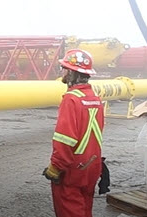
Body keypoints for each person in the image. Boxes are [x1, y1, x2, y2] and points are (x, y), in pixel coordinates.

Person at [43, 49, 104, 217]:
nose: (62, 71)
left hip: (73, 167)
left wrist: (56, 167)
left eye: (64, 68)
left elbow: (65, 138)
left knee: (70, 209)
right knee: (85, 207)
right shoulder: (94, 98)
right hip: (93, 163)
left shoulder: (71, 99)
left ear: (70, 72)